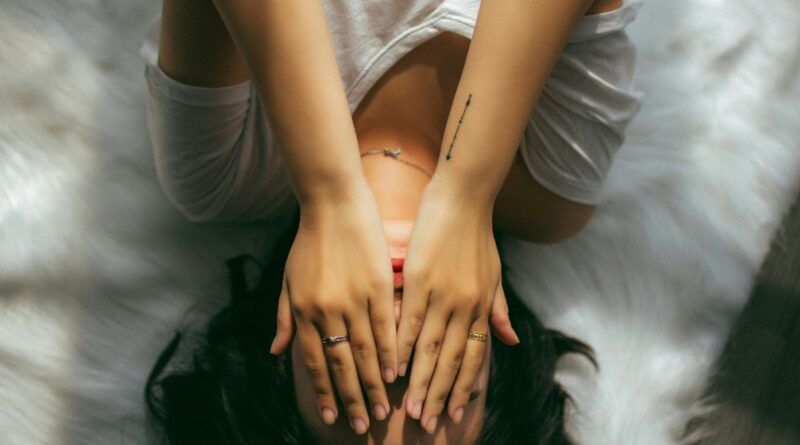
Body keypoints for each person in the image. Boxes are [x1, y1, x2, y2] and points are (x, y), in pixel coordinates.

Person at [140, 0, 643, 441]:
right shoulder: (553, 190)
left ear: (283, 357)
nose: (397, 333)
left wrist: (328, 192)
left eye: (356, 380)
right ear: (494, 353)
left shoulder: (220, 169)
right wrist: (467, 191)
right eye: (441, 377)